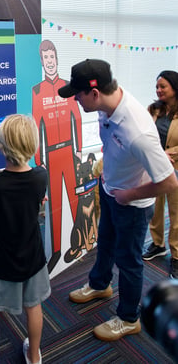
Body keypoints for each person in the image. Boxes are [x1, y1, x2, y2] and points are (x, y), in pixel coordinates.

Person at [58, 59, 178, 341]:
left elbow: (170, 181)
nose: (75, 98)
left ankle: (128, 318)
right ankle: (100, 285)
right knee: (106, 243)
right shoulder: (107, 105)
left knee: (129, 261)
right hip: (111, 189)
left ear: (95, 93)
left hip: (131, 205)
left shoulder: (138, 132)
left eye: (78, 94)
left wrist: (130, 194)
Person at [0, 114, 51, 364]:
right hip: (32, 256)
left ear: (1, 145)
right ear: (32, 144)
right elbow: (32, 196)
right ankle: (34, 355)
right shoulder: (41, 175)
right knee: (34, 304)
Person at [32, 40, 82, 272]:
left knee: (74, 199)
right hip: (50, 155)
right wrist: (38, 158)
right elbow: (35, 125)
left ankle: (79, 240)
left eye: (53, 57)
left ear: (57, 59)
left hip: (69, 150)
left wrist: (79, 148)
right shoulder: (37, 91)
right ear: (42, 62)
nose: (50, 61)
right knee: (54, 206)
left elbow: (77, 118)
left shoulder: (67, 87)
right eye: (46, 58)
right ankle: (56, 251)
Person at [142, 70, 178, 279]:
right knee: (155, 209)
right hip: (156, 166)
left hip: (175, 166)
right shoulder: (154, 110)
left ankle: (176, 255)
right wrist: (158, 153)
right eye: (157, 86)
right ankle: (157, 244)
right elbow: (145, 135)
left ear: (174, 87)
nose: (158, 90)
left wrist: (168, 153)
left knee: (176, 213)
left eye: (163, 86)